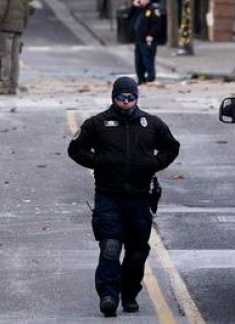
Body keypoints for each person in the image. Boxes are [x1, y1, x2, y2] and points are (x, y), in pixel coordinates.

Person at [67, 76, 180, 317]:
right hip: (109, 196)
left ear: (137, 98)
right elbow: (75, 149)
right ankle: (108, 295)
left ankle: (129, 294)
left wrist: (154, 164)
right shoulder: (97, 124)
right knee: (110, 246)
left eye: (131, 97)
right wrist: (98, 162)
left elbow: (172, 146)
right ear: (113, 98)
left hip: (139, 197)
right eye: (121, 97)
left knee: (137, 251)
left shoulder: (151, 124)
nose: (126, 102)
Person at [128, 0, 162, 84]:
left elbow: (157, 24)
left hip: (147, 40)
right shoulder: (140, 9)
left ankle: (150, 78)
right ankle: (141, 79)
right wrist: (134, 6)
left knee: (147, 59)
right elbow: (129, 16)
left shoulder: (153, 9)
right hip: (138, 39)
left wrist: (151, 34)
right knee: (138, 61)